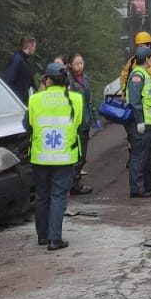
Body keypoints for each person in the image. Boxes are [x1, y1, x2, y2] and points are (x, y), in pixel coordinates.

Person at [24, 62, 84, 251]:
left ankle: (42, 236)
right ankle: (54, 239)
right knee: (58, 195)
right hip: (64, 156)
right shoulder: (76, 99)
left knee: (42, 195)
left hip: (40, 156)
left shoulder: (35, 99)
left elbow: (28, 125)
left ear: (47, 80)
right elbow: (80, 124)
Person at [126, 45, 151, 198]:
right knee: (139, 156)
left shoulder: (145, 74)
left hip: (150, 123)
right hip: (141, 124)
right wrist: (140, 121)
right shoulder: (137, 75)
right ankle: (137, 188)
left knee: (149, 156)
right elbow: (135, 101)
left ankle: (148, 183)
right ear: (147, 59)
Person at [67, 52, 94, 195]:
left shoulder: (84, 78)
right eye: (77, 63)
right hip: (75, 123)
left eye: (82, 62)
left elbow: (88, 101)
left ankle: (75, 182)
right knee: (77, 155)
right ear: (70, 65)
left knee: (82, 155)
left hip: (85, 120)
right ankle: (73, 184)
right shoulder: (69, 81)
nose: (80, 65)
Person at [2, 35, 37, 103]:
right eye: (34, 46)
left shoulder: (24, 61)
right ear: (29, 47)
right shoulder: (17, 60)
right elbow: (8, 81)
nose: (35, 49)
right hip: (17, 103)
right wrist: (17, 100)